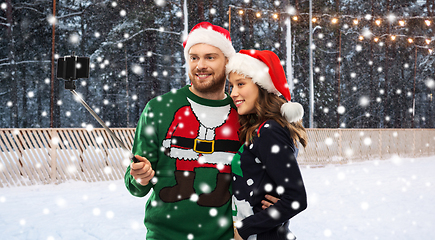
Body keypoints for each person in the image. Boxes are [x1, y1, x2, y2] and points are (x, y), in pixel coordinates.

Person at [125, 22, 268, 240]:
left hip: (225, 236)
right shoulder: (159, 108)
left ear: (228, 62)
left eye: (210, 57)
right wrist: (140, 177)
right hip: (165, 235)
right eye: (194, 57)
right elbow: (136, 183)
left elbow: (264, 170)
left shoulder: (243, 112)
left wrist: (275, 195)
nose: (200, 65)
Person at [226, 49, 308, 240]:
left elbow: (296, 199)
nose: (233, 93)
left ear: (262, 86)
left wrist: (243, 229)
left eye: (240, 84)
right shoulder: (257, 129)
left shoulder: (269, 131)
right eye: (231, 86)